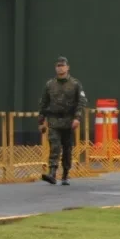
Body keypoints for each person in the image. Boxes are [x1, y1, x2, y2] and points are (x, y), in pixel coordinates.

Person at [38, 56, 83, 186]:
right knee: (54, 146)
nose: (60, 68)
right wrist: (41, 121)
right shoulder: (50, 85)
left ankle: (65, 174)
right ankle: (52, 172)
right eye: (58, 66)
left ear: (67, 67)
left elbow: (81, 102)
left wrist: (77, 118)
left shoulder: (75, 84)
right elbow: (43, 103)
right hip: (54, 120)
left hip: (69, 121)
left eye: (62, 65)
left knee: (67, 148)